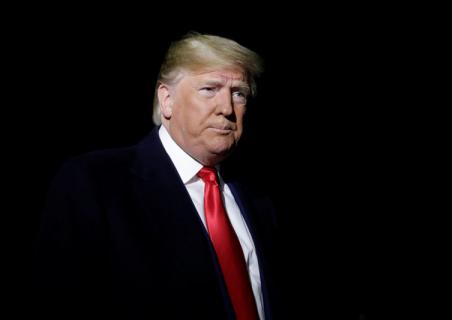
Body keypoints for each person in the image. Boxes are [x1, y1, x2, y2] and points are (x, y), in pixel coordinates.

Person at [33, 32, 280, 320]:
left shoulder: (257, 197)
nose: (227, 109)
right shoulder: (94, 184)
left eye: (239, 93)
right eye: (209, 89)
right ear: (167, 100)